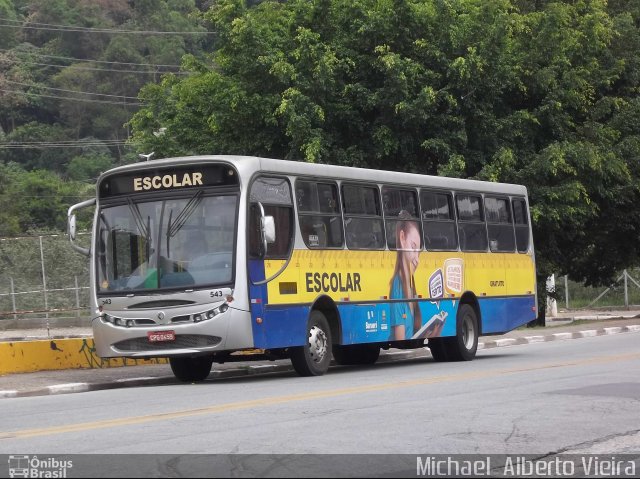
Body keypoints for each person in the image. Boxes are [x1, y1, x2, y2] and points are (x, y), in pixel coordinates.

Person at [389, 212, 423, 340]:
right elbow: (400, 340)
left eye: (418, 251)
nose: (417, 258)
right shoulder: (398, 286)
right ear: (402, 238)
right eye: (413, 247)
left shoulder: (410, 285)